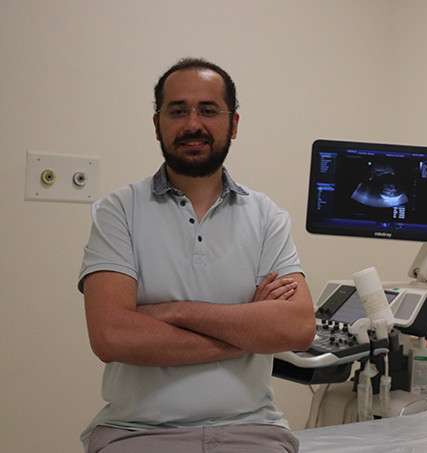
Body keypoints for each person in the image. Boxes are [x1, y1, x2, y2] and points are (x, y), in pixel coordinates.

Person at [78, 58, 316, 453]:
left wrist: (172, 311)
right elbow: (112, 335)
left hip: (253, 430)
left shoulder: (266, 217)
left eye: (208, 110)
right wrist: (246, 334)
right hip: (137, 433)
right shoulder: (118, 211)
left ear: (233, 124)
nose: (193, 124)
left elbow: (297, 327)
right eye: (177, 111)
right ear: (157, 124)